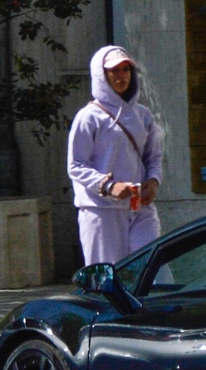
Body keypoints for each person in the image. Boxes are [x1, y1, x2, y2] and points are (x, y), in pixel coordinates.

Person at [67, 45, 164, 266]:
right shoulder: (88, 117)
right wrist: (109, 186)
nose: (122, 76)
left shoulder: (143, 115)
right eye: (114, 71)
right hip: (102, 211)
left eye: (126, 70)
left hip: (140, 206)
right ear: (102, 75)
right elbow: (76, 165)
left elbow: (153, 156)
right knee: (109, 276)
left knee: (152, 270)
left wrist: (153, 181)